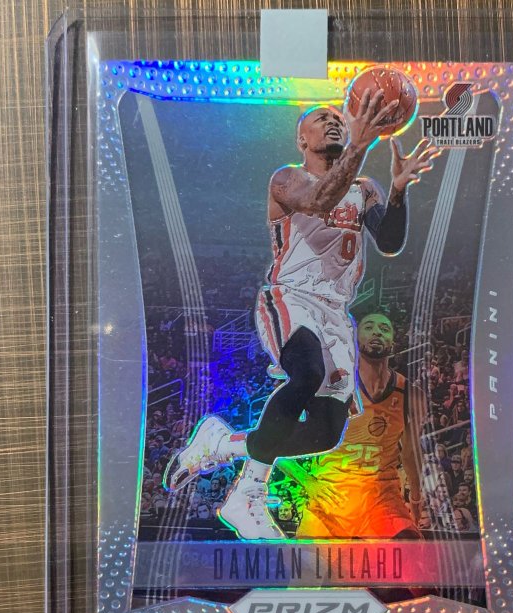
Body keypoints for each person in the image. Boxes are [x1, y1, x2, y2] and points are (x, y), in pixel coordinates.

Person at [166, 94, 439, 539]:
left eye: (337, 118)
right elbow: (317, 201)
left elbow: (390, 242)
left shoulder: (365, 188)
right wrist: (360, 146)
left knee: (326, 433)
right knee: (307, 372)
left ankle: (221, 445)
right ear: (302, 139)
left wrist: (397, 190)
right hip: (291, 296)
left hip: (336, 311)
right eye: (321, 118)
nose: (333, 121)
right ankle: (248, 494)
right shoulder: (287, 178)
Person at [276, 313, 426, 539]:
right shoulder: (326, 385)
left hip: (382, 505)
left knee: (411, 551)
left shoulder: (411, 394)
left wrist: (415, 498)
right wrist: (308, 482)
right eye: (369, 327)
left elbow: (411, 454)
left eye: (384, 328)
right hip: (328, 503)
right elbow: (272, 439)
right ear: (355, 339)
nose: (377, 332)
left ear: (393, 342)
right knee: (307, 561)